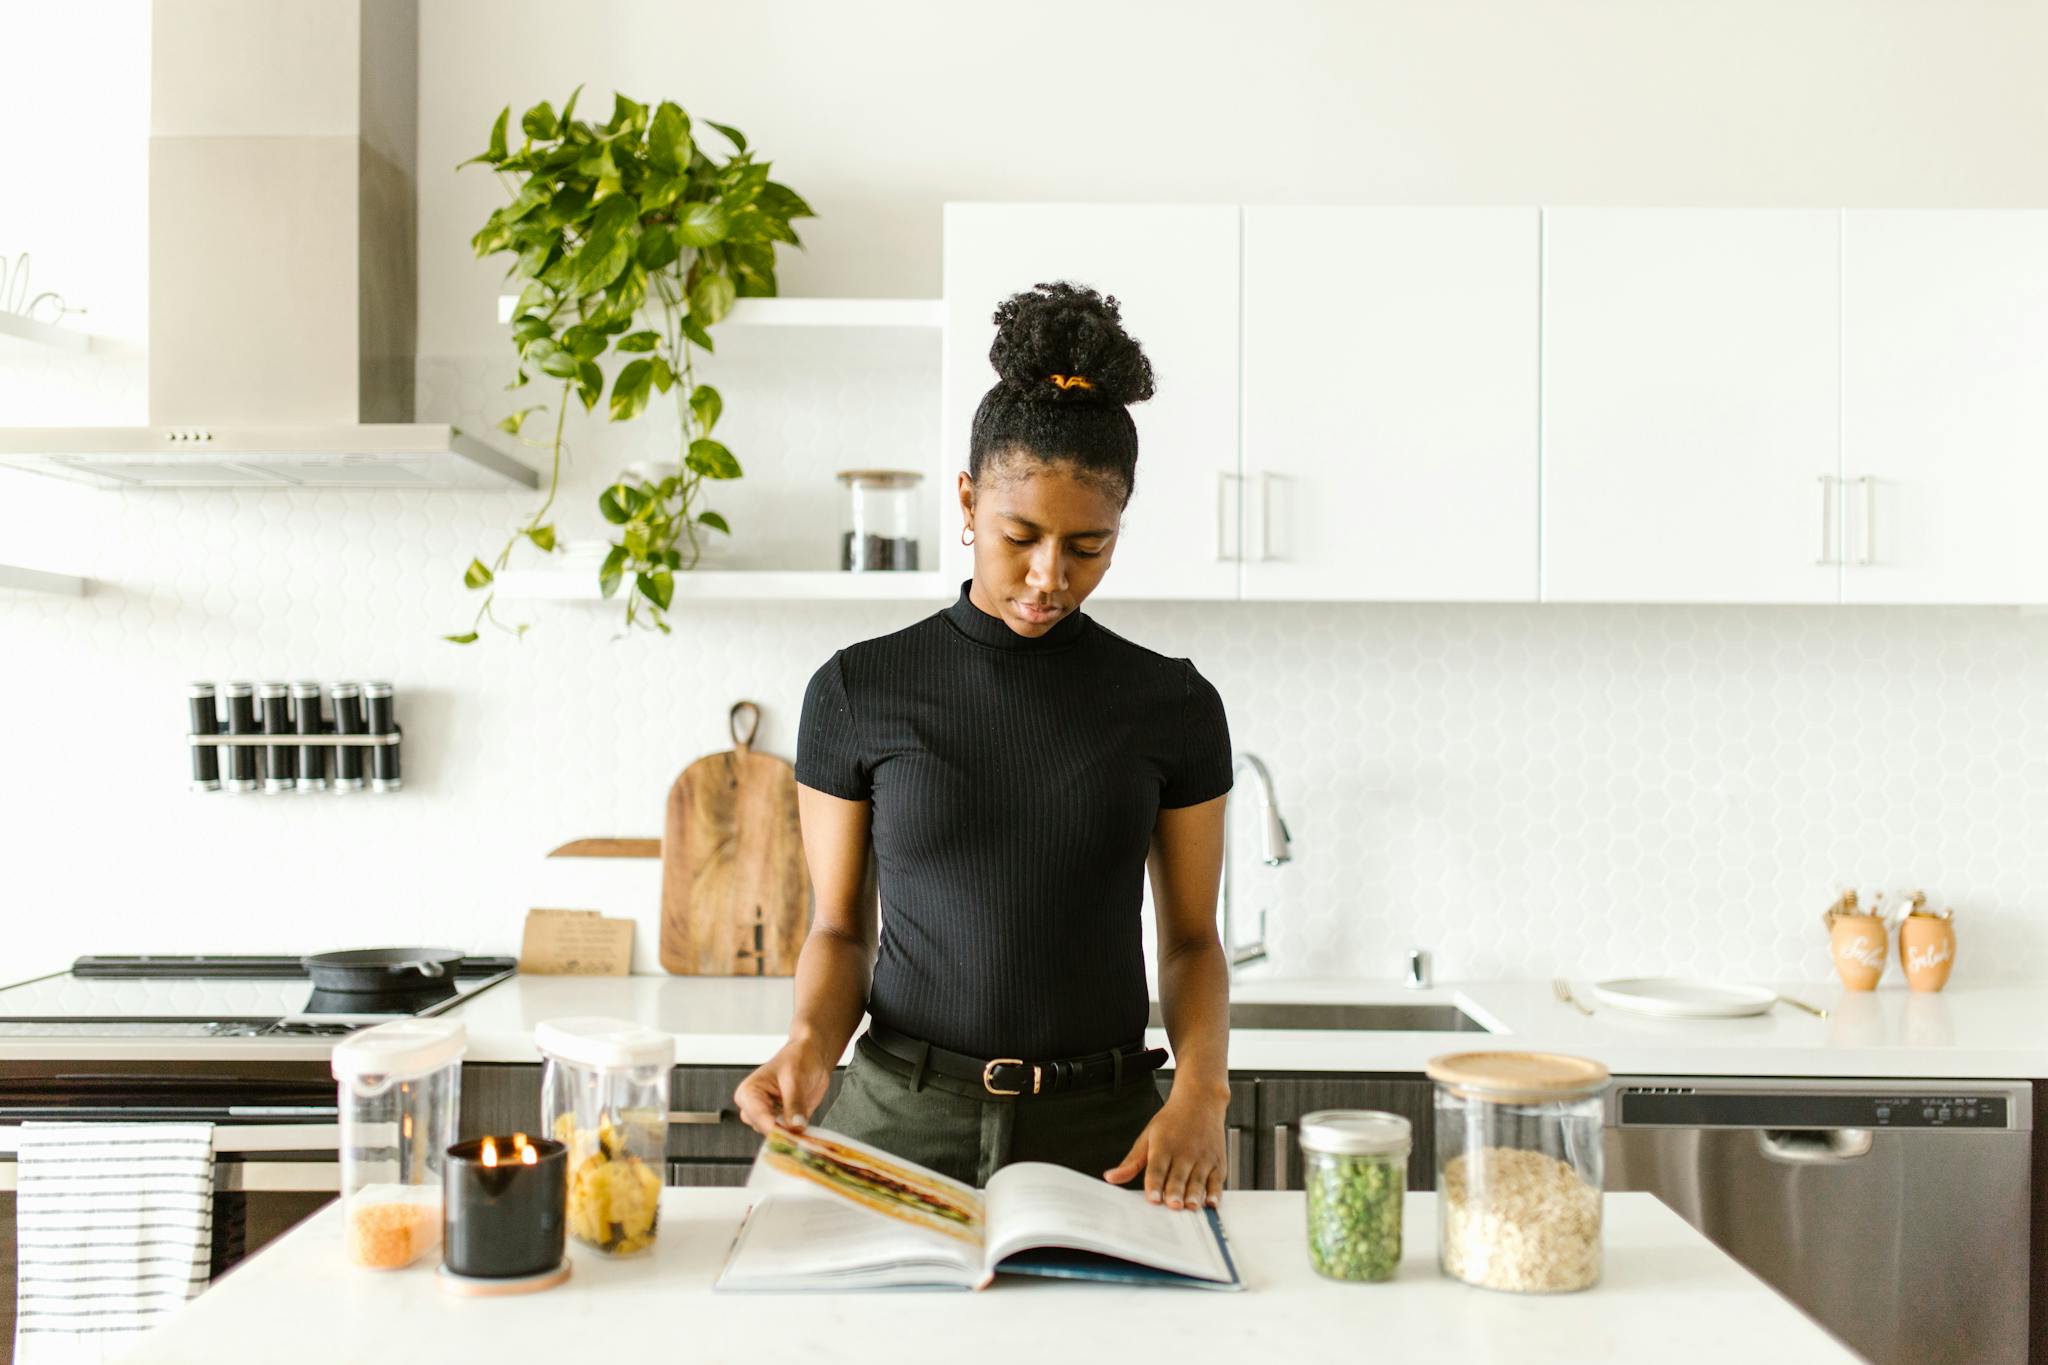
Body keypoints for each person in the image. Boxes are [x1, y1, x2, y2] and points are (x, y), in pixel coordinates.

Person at [733, 280, 1234, 1212]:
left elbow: (1194, 940)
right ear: (968, 502)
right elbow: (841, 928)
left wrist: (1202, 1090)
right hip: (899, 1122)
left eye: (1088, 546)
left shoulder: (1173, 704)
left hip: (1113, 1134)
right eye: (1020, 537)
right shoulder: (857, 690)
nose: (1049, 577)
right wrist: (806, 1046)